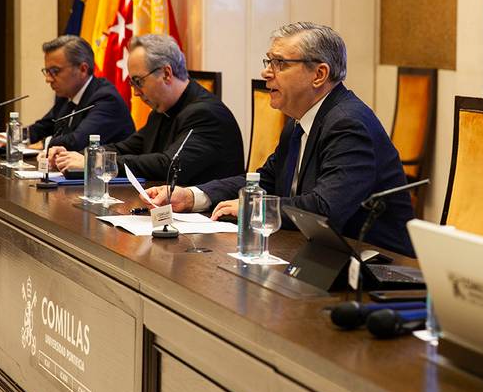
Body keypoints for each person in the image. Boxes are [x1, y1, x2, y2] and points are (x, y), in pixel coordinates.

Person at [143, 22, 415, 256]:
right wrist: (193, 196)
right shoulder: (300, 120)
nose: (266, 72)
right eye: (269, 61)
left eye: (280, 64)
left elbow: (325, 209)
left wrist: (252, 206)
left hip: (376, 271)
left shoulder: (348, 123)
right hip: (317, 256)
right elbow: (266, 181)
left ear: (319, 74)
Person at [50, 34, 244, 185]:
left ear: (166, 74)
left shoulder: (205, 114)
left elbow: (168, 165)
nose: (135, 93)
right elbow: (126, 147)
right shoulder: (162, 110)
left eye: (138, 82)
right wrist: (83, 156)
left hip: (208, 222)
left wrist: (96, 163)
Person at [0, 35, 134, 150]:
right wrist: (2, 138)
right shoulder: (66, 96)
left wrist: (43, 144)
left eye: (55, 71)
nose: (48, 79)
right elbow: (41, 128)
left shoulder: (106, 99)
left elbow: (77, 141)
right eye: (47, 71)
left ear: (83, 69)